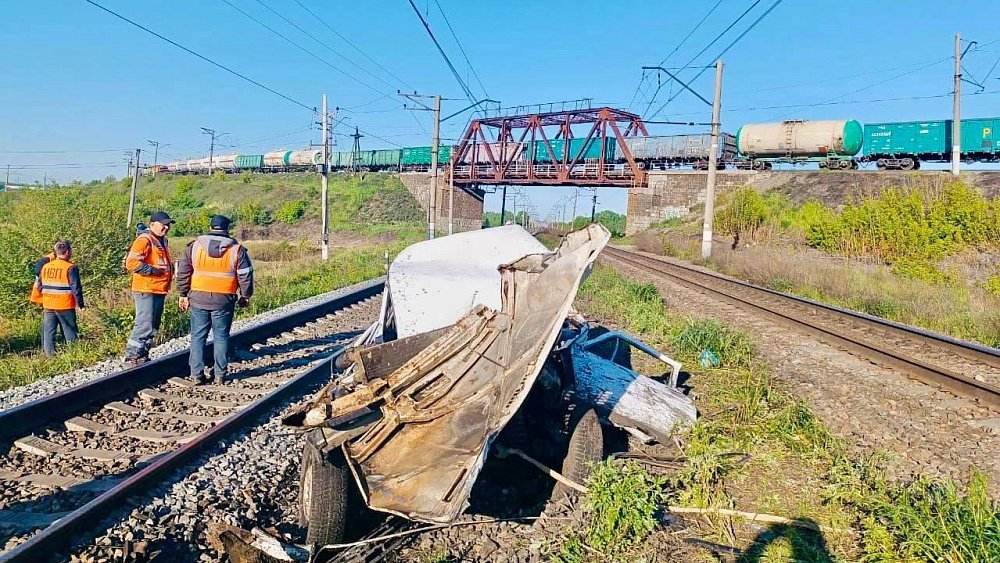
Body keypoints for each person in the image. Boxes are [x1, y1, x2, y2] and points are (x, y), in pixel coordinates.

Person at [176, 214, 253, 384]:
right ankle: (219, 374)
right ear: (227, 228)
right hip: (223, 299)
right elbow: (245, 275)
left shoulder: (194, 247)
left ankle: (196, 374)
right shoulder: (237, 250)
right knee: (221, 336)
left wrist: (183, 294)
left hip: (197, 297)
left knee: (197, 336)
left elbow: (183, 272)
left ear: (210, 227)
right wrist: (245, 295)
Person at [124, 211, 175, 366]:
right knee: (144, 323)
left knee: (152, 325)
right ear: (152, 224)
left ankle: (142, 355)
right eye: (163, 224)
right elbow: (131, 263)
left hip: (158, 288)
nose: (166, 227)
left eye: (168, 225)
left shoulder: (161, 240)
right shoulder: (145, 240)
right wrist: (153, 270)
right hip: (146, 288)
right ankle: (131, 357)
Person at [38, 241, 85, 355]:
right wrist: (81, 304)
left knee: (49, 333)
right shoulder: (70, 267)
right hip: (64, 304)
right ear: (68, 252)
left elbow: (39, 285)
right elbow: (76, 288)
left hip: (48, 304)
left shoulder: (46, 267)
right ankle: (74, 354)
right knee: (69, 331)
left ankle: (49, 356)